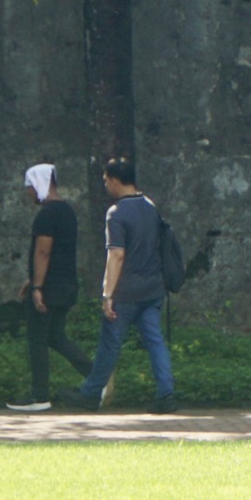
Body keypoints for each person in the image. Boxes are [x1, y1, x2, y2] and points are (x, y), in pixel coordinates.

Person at [66, 158, 176, 412]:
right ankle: (166, 393)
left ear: (115, 180)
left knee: (110, 343)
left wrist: (108, 294)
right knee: (155, 340)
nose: (106, 186)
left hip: (125, 291)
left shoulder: (116, 213)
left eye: (106, 181)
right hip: (152, 288)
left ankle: (91, 393)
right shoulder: (150, 206)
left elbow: (117, 255)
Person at [9, 164, 92, 412]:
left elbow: (44, 252)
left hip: (49, 288)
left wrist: (37, 286)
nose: (29, 194)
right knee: (56, 336)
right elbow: (59, 254)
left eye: (29, 188)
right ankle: (97, 374)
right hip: (66, 285)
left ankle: (40, 395)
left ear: (38, 185)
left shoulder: (46, 215)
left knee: (37, 339)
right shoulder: (67, 212)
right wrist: (32, 278)